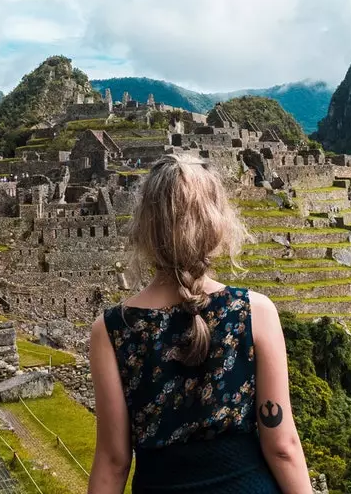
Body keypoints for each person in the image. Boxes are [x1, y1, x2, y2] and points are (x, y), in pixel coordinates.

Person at [88, 155, 310, 494]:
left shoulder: (111, 330)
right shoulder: (254, 312)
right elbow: (282, 446)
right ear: (216, 223)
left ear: (146, 226)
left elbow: (113, 462)